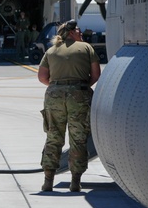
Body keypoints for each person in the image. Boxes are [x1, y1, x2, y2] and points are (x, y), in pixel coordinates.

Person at [37, 20, 101, 192]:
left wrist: (59, 86)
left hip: (54, 95)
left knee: (53, 136)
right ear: (71, 32)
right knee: (78, 138)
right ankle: (75, 181)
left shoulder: (51, 51)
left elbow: (42, 77)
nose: (81, 33)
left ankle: (48, 180)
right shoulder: (86, 48)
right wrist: (79, 86)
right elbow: (96, 75)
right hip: (79, 95)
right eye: (78, 31)